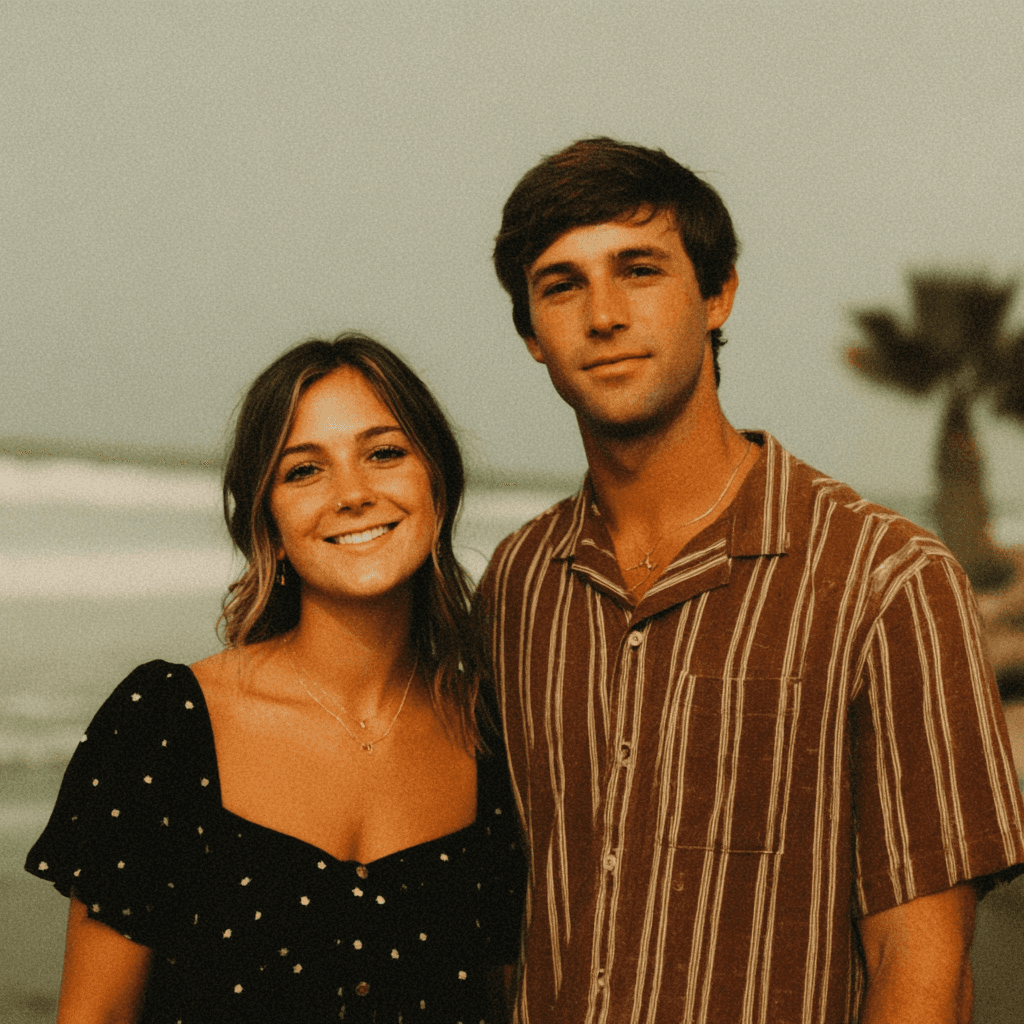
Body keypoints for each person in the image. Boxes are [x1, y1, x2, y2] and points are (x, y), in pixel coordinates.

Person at [478, 137, 1024, 1024]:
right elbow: (508, 915)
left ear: (718, 291)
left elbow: (924, 965)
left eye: (639, 269)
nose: (603, 314)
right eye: (562, 284)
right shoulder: (519, 583)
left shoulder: (887, 580)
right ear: (532, 335)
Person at [27, 334, 525, 1023]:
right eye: (303, 471)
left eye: (384, 453)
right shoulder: (165, 724)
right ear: (267, 517)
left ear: (436, 481)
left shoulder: (494, 740)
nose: (352, 493)